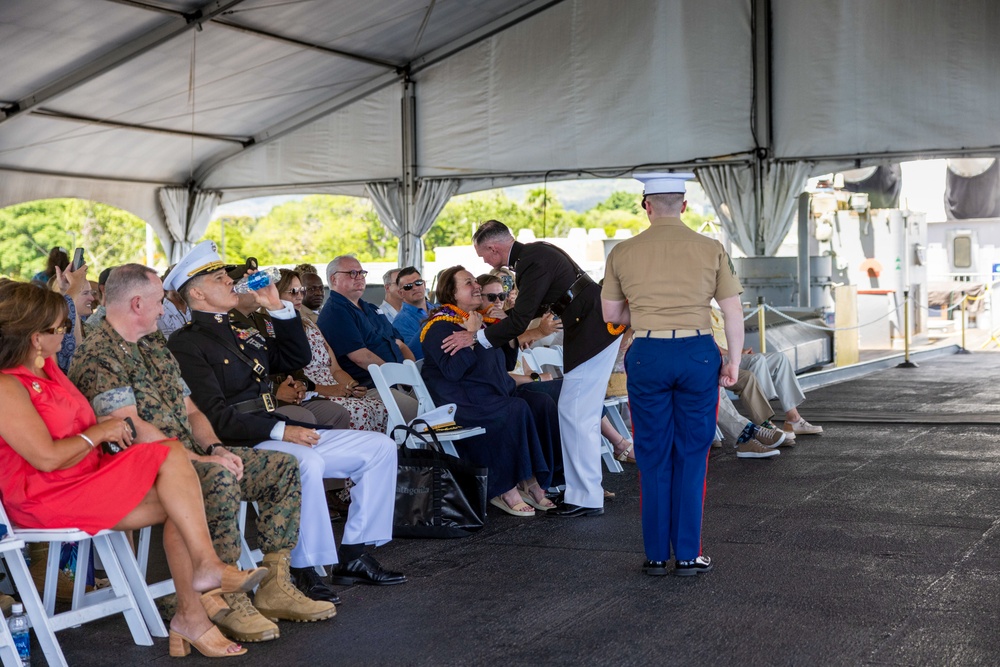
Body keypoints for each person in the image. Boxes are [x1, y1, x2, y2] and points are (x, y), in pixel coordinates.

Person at [0, 280, 267, 658]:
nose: (65, 334)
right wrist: (100, 431)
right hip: (45, 494)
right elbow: (45, 458)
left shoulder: (49, 370)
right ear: (33, 337)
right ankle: (201, 587)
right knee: (175, 472)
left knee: (182, 491)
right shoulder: (7, 386)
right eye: (58, 328)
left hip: (85, 477)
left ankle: (193, 609)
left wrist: (102, 429)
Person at [70, 264, 335, 642]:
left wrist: (214, 447)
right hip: (143, 467)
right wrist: (200, 460)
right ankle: (226, 598)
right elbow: (130, 429)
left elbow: (192, 410)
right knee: (218, 476)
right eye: (160, 301)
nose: (165, 309)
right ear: (136, 302)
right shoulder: (99, 352)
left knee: (281, 467)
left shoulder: (152, 343)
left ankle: (276, 585)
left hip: (188, 455)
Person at [165, 242, 405, 594]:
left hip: (273, 429)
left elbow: (295, 356)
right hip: (244, 439)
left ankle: (354, 553)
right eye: (220, 279)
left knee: (379, 447)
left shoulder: (240, 330)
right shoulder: (186, 344)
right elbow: (215, 416)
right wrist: (281, 430)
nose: (231, 282)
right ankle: (303, 567)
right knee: (305, 462)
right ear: (198, 293)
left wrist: (277, 306)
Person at [601, 172, 744, 577]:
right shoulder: (711, 248)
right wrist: (732, 361)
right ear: (683, 205)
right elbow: (733, 311)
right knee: (693, 453)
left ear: (646, 205)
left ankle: (655, 556)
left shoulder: (622, 252)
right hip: (698, 353)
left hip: (647, 352)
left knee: (652, 452)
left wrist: (646, 314)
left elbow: (611, 315)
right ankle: (686, 553)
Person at [467, 220, 621, 518]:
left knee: (576, 413)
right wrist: (510, 314)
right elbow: (540, 303)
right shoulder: (536, 254)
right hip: (593, 329)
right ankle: (584, 493)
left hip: (592, 331)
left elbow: (523, 317)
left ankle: (586, 496)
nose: (483, 261)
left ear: (493, 247)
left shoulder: (532, 260)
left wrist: (477, 338)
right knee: (576, 413)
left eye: (483, 254)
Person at [420, 266, 561, 516]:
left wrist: (504, 329)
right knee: (515, 408)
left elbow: (506, 364)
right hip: (462, 403)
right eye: (467, 283)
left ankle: (538, 479)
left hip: (493, 393)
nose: (476, 285)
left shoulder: (482, 321)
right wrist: (472, 334)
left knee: (542, 403)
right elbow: (453, 371)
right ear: (450, 292)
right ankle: (505, 487)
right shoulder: (438, 327)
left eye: (475, 280)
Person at [275, 269, 388, 433]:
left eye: (301, 291)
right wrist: (329, 390)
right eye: (293, 291)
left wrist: (352, 386)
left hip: (335, 387)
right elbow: (291, 376)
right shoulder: (274, 328)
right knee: (362, 411)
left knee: (379, 408)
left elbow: (335, 368)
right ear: (276, 294)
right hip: (310, 392)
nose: (299, 296)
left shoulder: (309, 323)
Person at [317, 257, 418, 419]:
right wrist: (398, 377)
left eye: (361, 273)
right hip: (372, 386)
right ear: (333, 279)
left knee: (440, 399)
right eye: (352, 273)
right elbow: (361, 357)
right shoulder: (335, 312)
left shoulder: (370, 308)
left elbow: (399, 344)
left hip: (401, 380)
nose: (359, 277)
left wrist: (410, 374)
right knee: (419, 411)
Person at [710, 310, 824, 436]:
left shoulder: (715, 310)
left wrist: (741, 351)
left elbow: (727, 339)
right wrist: (735, 354)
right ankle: (766, 421)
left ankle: (793, 419)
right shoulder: (696, 310)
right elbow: (709, 344)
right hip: (718, 357)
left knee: (780, 359)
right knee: (757, 360)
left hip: (731, 355)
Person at [392, 267, 432, 360]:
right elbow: (413, 356)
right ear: (401, 293)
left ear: (424, 284)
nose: (415, 288)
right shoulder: (400, 322)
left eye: (418, 283)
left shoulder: (438, 309)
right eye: (408, 286)